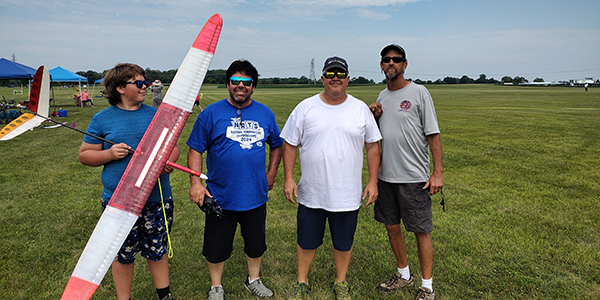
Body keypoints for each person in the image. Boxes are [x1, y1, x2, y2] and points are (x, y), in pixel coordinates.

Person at [281, 56, 382, 300]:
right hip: (312, 192)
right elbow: (290, 144)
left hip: (346, 193)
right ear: (323, 78)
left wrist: (372, 181)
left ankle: (341, 282)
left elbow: (372, 146)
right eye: (330, 74)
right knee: (307, 241)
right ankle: (301, 281)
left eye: (340, 75)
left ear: (348, 79)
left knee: (343, 242)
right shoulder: (305, 107)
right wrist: (289, 178)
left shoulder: (359, 109)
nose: (335, 79)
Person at [78, 63, 179, 300]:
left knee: (158, 250)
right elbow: (85, 155)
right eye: (139, 83)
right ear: (121, 88)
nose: (145, 87)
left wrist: (167, 163)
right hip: (119, 201)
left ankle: (164, 296)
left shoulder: (156, 116)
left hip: (156, 198)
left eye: (145, 82)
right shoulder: (102, 119)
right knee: (122, 253)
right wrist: (109, 154)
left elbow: (172, 149)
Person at [187, 60, 283, 300]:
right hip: (220, 195)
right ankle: (216, 287)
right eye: (236, 81)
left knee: (255, 243)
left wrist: (271, 173)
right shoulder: (210, 113)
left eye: (247, 82)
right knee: (216, 246)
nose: (241, 86)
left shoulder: (264, 113)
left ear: (253, 86)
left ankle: (254, 279)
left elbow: (277, 145)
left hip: (254, 194)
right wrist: (196, 182)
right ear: (228, 84)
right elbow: (195, 149)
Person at [369, 44, 444, 300]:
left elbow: (433, 134)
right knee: (392, 227)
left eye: (396, 59)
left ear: (404, 64)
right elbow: (378, 136)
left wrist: (437, 173)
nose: (391, 63)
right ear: (381, 65)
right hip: (386, 176)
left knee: (420, 230)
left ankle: (427, 286)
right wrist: (376, 115)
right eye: (386, 60)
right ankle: (403, 275)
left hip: (414, 178)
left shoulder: (419, 92)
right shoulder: (381, 96)